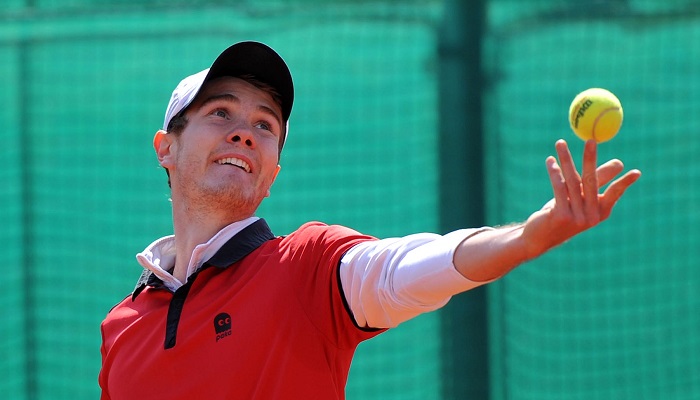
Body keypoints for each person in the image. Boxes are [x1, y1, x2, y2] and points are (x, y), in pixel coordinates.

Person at [98, 41, 641, 399]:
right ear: (166, 147)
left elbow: (404, 268)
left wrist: (528, 237)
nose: (244, 132)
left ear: (271, 175)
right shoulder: (120, 328)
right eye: (220, 112)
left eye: (265, 125)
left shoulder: (306, 267)